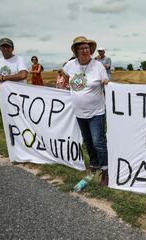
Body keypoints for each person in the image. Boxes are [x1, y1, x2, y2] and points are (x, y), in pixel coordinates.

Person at [62, 36, 109, 187]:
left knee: (98, 142)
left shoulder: (98, 66)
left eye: (87, 48)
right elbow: (63, 72)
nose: (85, 50)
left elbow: (106, 82)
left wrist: (106, 83)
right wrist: (66, 82)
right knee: (88, 141)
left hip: (96, 113)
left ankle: (105, 170)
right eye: (81, 48)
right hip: (79, 113)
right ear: (76, 51)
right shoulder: (70, 65)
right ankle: (94, 164)